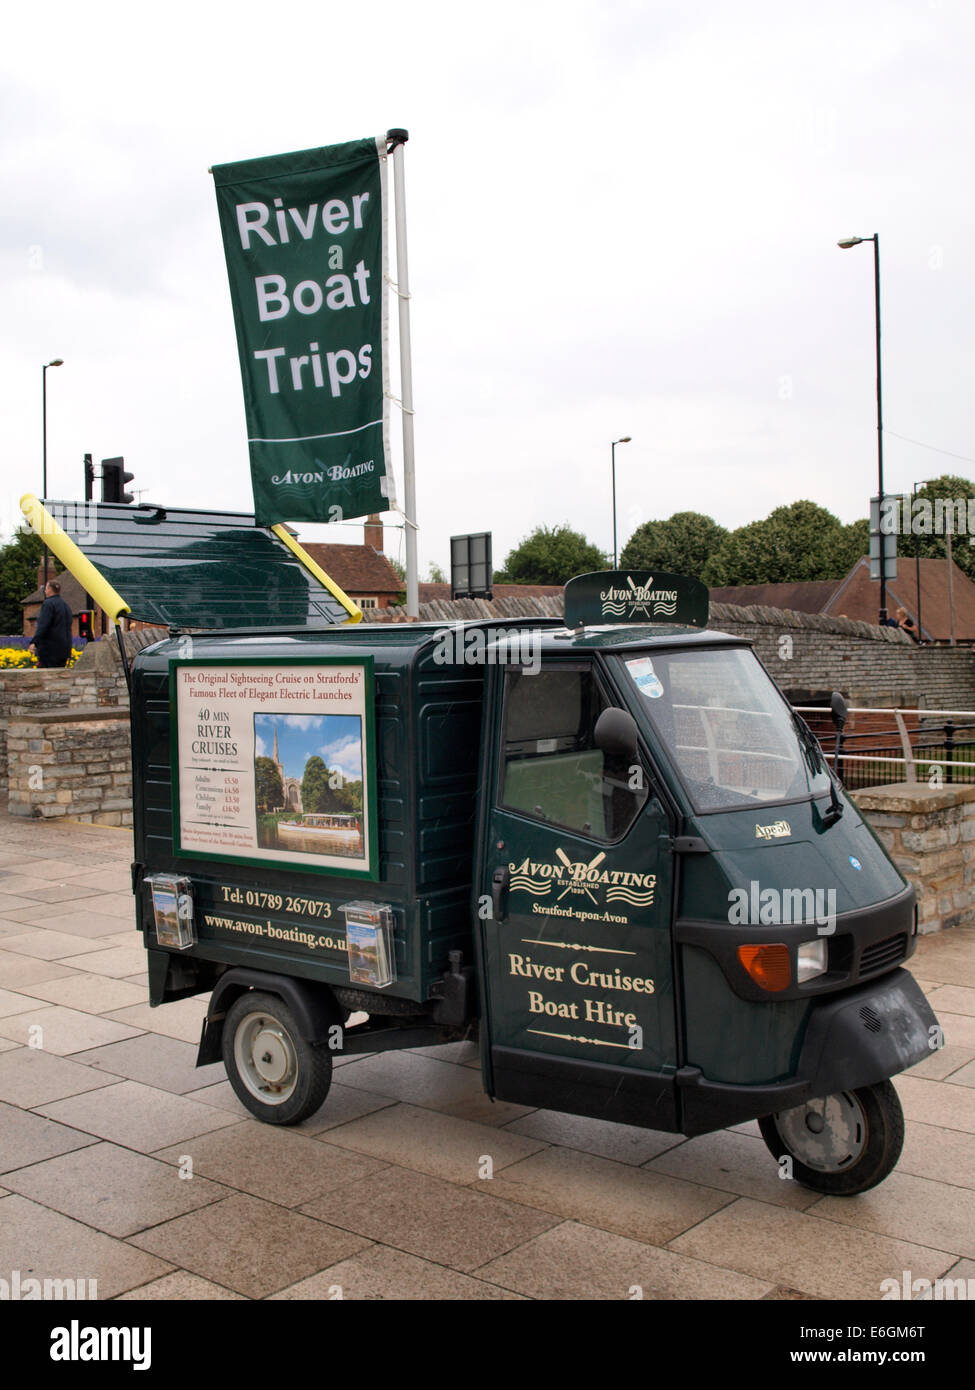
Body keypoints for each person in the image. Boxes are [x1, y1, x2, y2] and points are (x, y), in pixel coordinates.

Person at [28, 579, 74, 668]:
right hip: (64, 649)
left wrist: (34, 642)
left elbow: (43, 625)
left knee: (46, 677)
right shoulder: (66, 605)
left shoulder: (48, 604)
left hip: (49, 650)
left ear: (49, 589)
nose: (45, 591)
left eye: (46, 588)